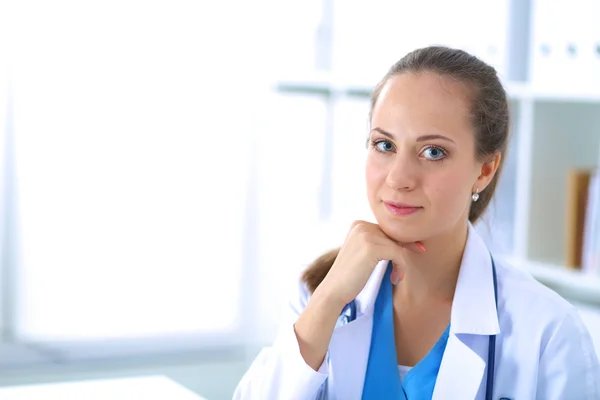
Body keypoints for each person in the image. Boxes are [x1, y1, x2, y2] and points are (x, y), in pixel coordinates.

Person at [232, 46, 600, 400]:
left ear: (485, 170)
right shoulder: (320, 293)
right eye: (384, 145)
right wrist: (328, 300)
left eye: (433, 152)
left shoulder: (549, 334)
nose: (399, 178)